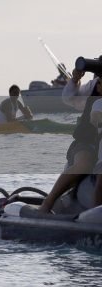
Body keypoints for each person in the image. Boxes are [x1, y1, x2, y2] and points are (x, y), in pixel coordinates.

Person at [37, 64, 102, 214]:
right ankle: (48, 202)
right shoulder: (94, 87)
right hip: (87, 143)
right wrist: (75, 79)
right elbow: (69, 98)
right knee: (84, 164)